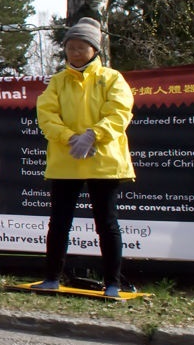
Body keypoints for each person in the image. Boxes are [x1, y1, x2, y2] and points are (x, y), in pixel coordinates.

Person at [33, 17, 135, 299]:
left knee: (107, 222)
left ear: (94, 49)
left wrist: (93, 135)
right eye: (71, 47)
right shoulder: (58, 81)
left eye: (82, 47)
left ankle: (112, 283)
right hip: (66, 162)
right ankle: (52, 278)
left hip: (103, 162)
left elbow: (119, 113)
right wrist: (70, 138)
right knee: (59, 221)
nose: (75, 52)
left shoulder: (112, 78)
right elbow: (46, 115)